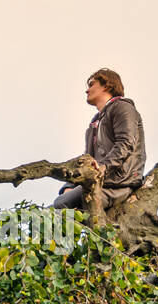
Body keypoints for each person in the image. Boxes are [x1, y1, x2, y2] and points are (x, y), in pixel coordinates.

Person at [53, 68, 146, 214]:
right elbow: (86, 160)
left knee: (61, 204)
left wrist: (103, 167)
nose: (87, 90)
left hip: (119, 184)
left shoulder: (123, 107)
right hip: (99, 183)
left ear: (106, 85)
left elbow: (126, 143)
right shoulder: (95, 121)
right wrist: (69, 186)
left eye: (91, 84)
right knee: (49, 212)